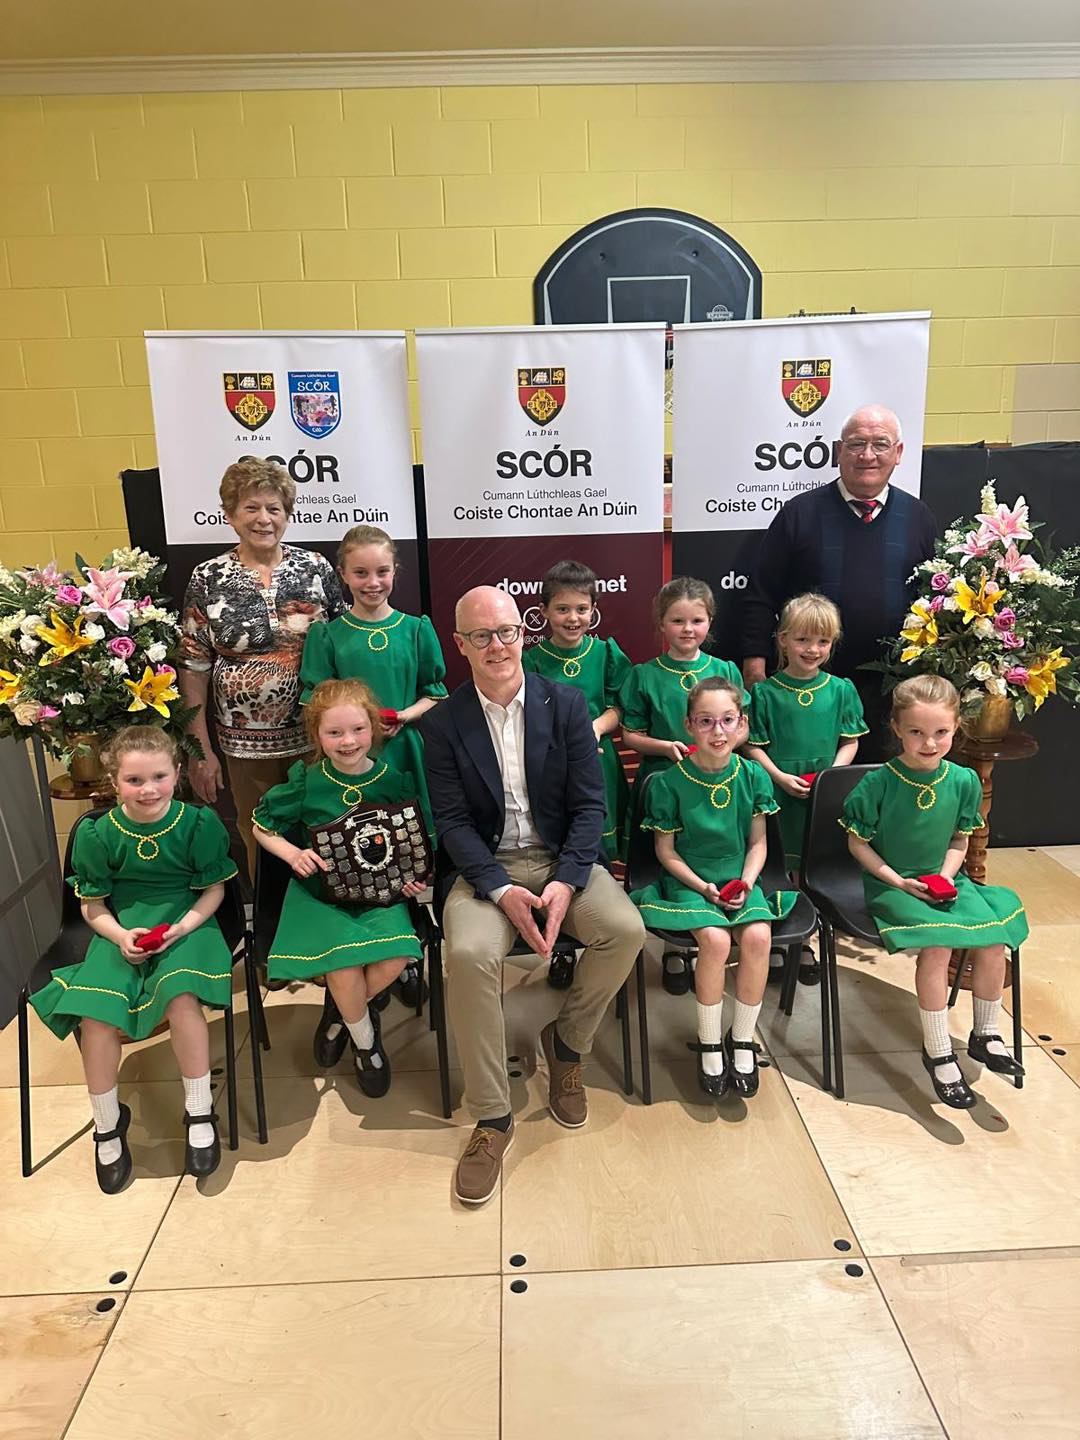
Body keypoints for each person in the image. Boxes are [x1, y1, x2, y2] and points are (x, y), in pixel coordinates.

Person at [420, 586, 645, 1208]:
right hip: (484, 868)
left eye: (508, 631)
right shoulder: (443, 723)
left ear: (524, 634)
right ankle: (492, 1117)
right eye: (482, 636)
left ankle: (568, 1043)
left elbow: (590, 806)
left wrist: (565, 882)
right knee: (468, 955)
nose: (498, 646)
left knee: (625, 931)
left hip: (560, 860)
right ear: (460, 645)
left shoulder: (565, 704)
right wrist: (499, 889)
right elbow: (452, 823)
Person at [30, 727, 237, 1192]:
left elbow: (214, 891)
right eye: (135, 780)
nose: (149, 790)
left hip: (188, 924)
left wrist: (181, 928)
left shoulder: (197, 824)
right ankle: (107, 1123)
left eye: (159, 777)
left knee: (181, 997)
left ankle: (199, 1109)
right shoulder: (98, 833)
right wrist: (121, 935)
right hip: (122, 927)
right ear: (114, 782)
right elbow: (91, 906)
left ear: (177, 774)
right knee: (97, 1016)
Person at [842, 675, 1028, 1109]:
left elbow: (959, 840)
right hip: (893, 882)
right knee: (939, 945)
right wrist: (898, 881)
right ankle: (938, 1049)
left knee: (992, 941)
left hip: (944, 879)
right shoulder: (878, 783)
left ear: (956, 727)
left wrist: (943, 877)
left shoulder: (962, 780)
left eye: (941, 732)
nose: (929, 743)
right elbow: (857, 844)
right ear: (896, 728)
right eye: (916, 732)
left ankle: (985, 1033)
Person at [252, 679, 426, 1096]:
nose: (348, 741)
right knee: (343, 964)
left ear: (374, 728)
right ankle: (366, 1044)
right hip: (321, 897)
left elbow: (408, 839)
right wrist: (292, 853)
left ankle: (341, 1010)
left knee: (396, 957)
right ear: (317, 735)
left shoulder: (392, 779)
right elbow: (261, 824)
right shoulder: (306, 780)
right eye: (334, 732)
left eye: (357, 729)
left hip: (380, 894)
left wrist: (411, 876)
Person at [299, 524, 447, 1013]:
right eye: (360, 573)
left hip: (402, 755)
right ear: (343, 575)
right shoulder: (328, 635)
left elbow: (435, 692)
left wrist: (403, 715)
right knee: (358, 850)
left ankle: (403, 956)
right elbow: (315, 699)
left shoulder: (416, 629)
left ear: (395, 572)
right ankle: (363, 953)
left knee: (403, 851)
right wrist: (351, 727)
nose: (372, 582)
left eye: (382, 571)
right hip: (348, 763)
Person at [180, 457, 345, 880]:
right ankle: (272, 918)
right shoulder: (208, 577)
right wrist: (200, 752)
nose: (263, 519)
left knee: (325, 829)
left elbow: (345, 647)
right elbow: (193, 666)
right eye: (251, 508)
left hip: (317, 738)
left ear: (287, 514)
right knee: (258, 835)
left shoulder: (316, 569)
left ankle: (328, 915)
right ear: (230, 515)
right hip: (244, 747)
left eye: (274, 508)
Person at [741, 404, 937, 760]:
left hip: (893, 690)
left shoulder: (918, 517)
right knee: (814, 782)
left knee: (882, 782)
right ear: (837, 451)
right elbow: (761, 593)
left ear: (898, 453)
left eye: (880, 444)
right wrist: (754, 666)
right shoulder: (799, 513)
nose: (867, 455)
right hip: (811, 686)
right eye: (856, 444)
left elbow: (935, 600)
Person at [631, 679, 796, 1101]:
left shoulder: (753, 775)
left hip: (741, 877)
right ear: (689, 725)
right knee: (717, 941)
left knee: (758, 937)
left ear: (742, 724)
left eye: (727, 720)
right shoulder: (669, 783)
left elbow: (758, 844)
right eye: (705, 722)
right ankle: (708, 1040)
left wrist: (748, 882)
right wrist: (703, 887)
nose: (717, 731)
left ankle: (741, 1038)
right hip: (689, 880)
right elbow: (666, 853)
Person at [620, 576, 747, 995]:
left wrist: (717, 748)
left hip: (715, 782)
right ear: (661, 623)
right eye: (677, 620)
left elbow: (742, 729)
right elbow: (631, 735)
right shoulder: (644, 675)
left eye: (697, 620)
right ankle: (676, 947)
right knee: (668, 859)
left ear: (709, 621)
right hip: (664, 782)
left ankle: (716, 937)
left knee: (709, 854)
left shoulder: (725, 670)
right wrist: (666, 746)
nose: (687, 629)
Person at [745, 593, 866, 875]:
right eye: (803, 639)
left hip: (824, 792)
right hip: (778, 789)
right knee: (781, 861)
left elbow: (850, 741)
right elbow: (752, 746)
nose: (813, 649)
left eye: (823, 641)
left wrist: (829, 777)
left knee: (819, 861)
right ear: (783, 639)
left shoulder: (841, 690)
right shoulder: (765, 693)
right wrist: (780, 777)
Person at [523, 559, 631, 864]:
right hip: (555, 762)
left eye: (582, 609)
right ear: (543, 611)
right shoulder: (532, 661)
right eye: (562, 609)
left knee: (602, 841)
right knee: (565, 839)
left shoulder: (605, 652)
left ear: (593, 609)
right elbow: (531, 718)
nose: (573, 618)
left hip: (600, 758)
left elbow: (618, 707)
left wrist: (594, 728)